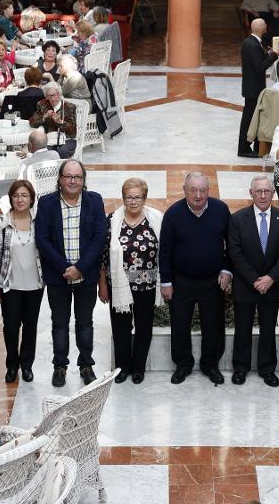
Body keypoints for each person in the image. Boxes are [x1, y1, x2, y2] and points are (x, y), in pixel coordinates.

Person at [36, 160, 107, 387]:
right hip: (58, 277)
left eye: (77, 177)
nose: (72, 181)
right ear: (60, 179)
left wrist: (80, 268)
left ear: (83, 180)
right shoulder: (46, 203)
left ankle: (86, 365)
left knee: (85, 323)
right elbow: (42, 240)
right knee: (59, 324)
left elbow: (99, 238)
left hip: (86, 276)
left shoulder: (94, 201)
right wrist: (65, 268)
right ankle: (60, 366)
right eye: (68, 176)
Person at [159, 172, 231, 385]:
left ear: (209, 191)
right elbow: (165, 251)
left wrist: (227, 270)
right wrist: (166, 281)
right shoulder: (173, 214)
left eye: (203, 190)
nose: (198, 195)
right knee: (180, 325)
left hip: (212, 281)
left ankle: (210, 365)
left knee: (213, 325)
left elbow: (232, 243)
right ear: (185, 190)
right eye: (193, 190)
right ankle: (183, 365)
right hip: (182, 281)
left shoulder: (221, 210)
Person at [227, 176, 279, 387]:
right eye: (259, 192)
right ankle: (240, 368)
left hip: (272, 286)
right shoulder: (238, 219)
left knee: (268, 329)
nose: (263, 195)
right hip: (246, 285)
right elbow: (235, 252)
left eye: (267, 191)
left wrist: (271, 277)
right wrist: (255, 279)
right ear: (251, 193)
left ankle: (267, 369)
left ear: (273, 193)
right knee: (243, 328)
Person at [98, 177, 163, 385]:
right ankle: (123, 367)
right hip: (118, 284)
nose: (133, 201)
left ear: (144, 198)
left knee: (144, 327)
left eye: (137, 197)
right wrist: (103, 285)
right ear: (123, 198)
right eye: (129, 197)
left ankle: (138, 368)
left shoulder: (156, 219)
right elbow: (102, 255)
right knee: (120, 328)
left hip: (147, 284)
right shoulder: (111, 220)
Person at [0, 180, 44, 384]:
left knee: (30, 326)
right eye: (16, 195)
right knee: (11, 327)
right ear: (10, 199)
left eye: (25, 195)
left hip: (35, 284)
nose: (20, 199)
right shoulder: (1, 225)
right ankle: (12, 364)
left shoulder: (39, 222)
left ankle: (27, 365)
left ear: (31, 199)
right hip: (10, 284)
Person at [238, 18, 277, 158]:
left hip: (253, 88)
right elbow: (260, 68)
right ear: (261, 28)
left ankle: (254, 146)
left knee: (252, 118)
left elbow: (258, 62)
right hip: (253, 89)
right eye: (265, 25)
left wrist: (267, 54)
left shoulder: (252, 42)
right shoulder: (253, 44)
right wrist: (273, 56)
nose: (266, 26)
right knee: (248, 119)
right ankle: (243, 148)